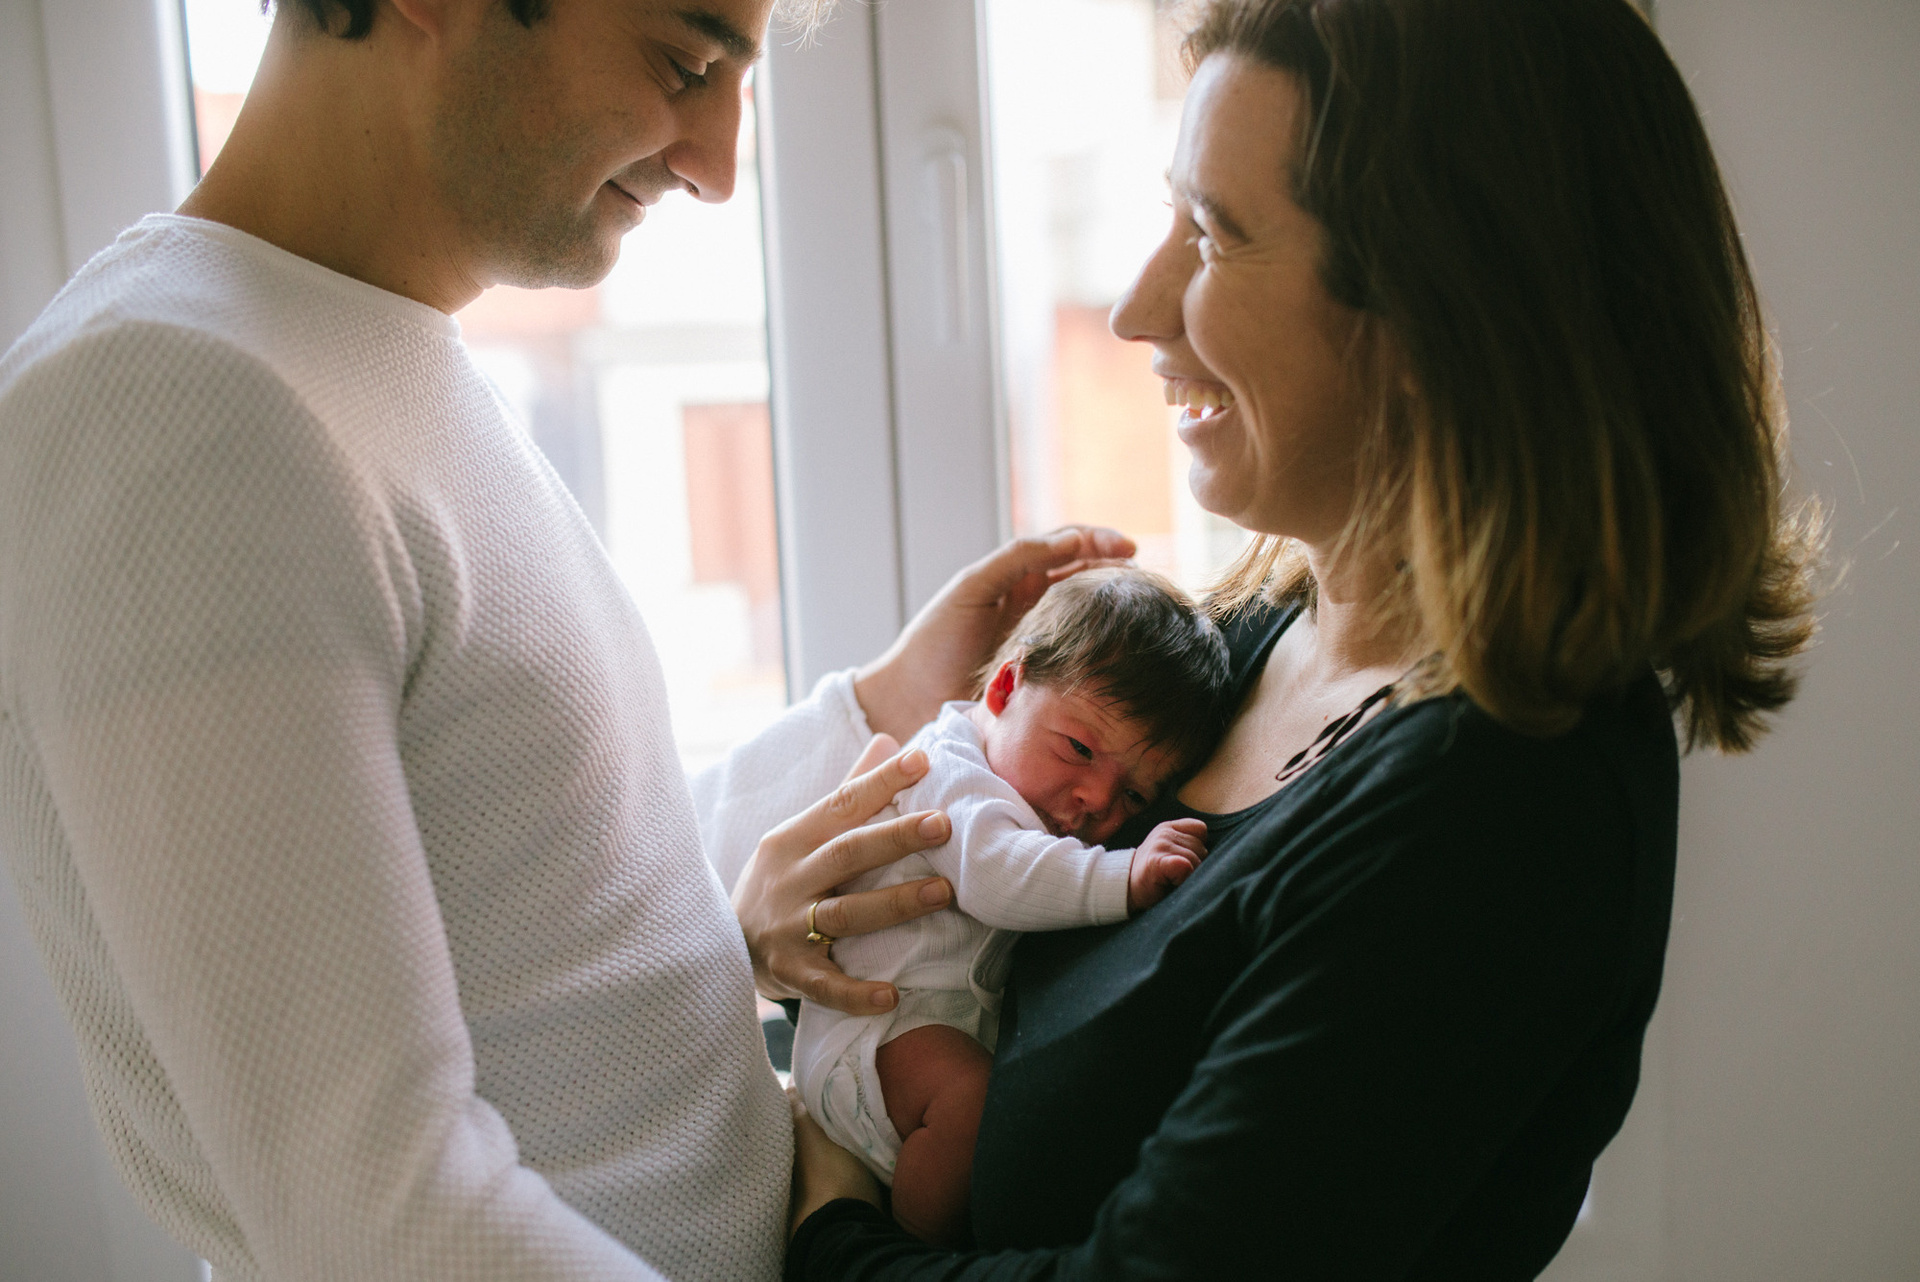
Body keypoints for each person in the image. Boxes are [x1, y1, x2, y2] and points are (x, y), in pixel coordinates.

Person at [0, 0, 1132, 1279]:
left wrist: (877, 708)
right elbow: (378, 1207)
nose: (717, 165)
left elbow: (543, 911)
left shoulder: (380, 353)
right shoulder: (171, 408)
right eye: (683, 62)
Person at [744, 0, 1826, 1276]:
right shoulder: (1258, 641)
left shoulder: (1498, 815)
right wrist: (799, 931)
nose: (1136, 309)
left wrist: (830, 1228)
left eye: (1211, 234)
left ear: (1440, 313)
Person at [790, 568, 1231, 1245]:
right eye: (1079, 749)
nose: (1096, 801)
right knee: (969, 1099)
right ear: (1004, 688)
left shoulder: (1017, 784)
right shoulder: (947, 771)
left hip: (919, 1031)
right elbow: (997, 876)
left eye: (1135, 796)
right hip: (870, 1037)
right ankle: (912, 1249)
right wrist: (1125, 873)